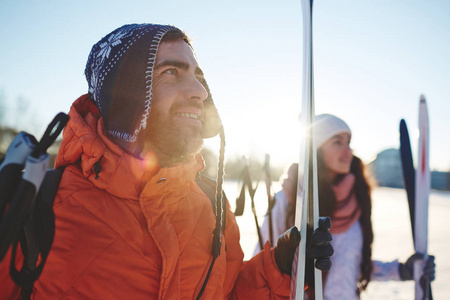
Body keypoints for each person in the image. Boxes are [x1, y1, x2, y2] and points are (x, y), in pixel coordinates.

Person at [0, 24, 333, 299]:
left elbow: (227, 293)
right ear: (125, 94)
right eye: (171, 72)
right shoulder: (37, 205)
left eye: (198, 76)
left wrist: (277, 267)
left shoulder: (212, 204)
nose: (200, 92)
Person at [257, 114, 436, 299]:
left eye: (348, 142)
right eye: (337, 142)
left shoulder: (356, 199)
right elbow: (260, 266)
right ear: (316, 149)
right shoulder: (289, 200)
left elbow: (352, 265)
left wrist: (400, 270)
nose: (348, 151)